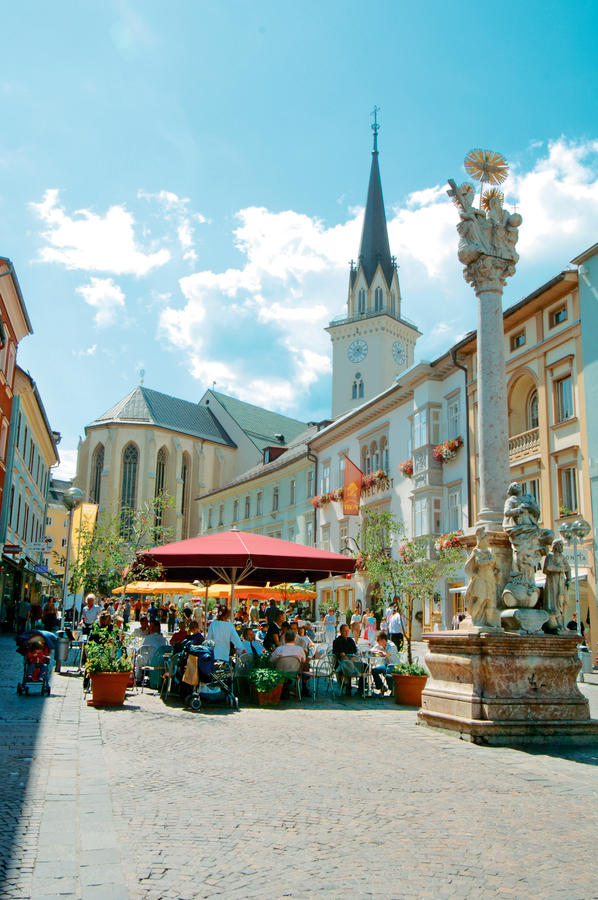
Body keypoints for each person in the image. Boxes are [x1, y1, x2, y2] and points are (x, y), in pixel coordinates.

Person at [271, 629, 311, 697]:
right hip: (295, 672)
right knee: (305, 665)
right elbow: (303, 660)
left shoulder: (279, 649)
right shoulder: (299, 649)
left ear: (285, 638)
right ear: (295, 638)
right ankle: (304, 688)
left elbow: (271, 660)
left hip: (281, 672)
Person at [332, 624, 364, 696]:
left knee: (365, 666)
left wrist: (354, 658)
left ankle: (361, 689)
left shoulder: (350, 640)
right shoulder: (337, 641)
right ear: (341, 631)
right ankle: (348, 687)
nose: (347, 632)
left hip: (352, 661)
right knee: (347, 665)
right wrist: (350, 660)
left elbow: (356, 652)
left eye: (347, 630)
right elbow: (342, 655)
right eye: (345, 631)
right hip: (342, 663)